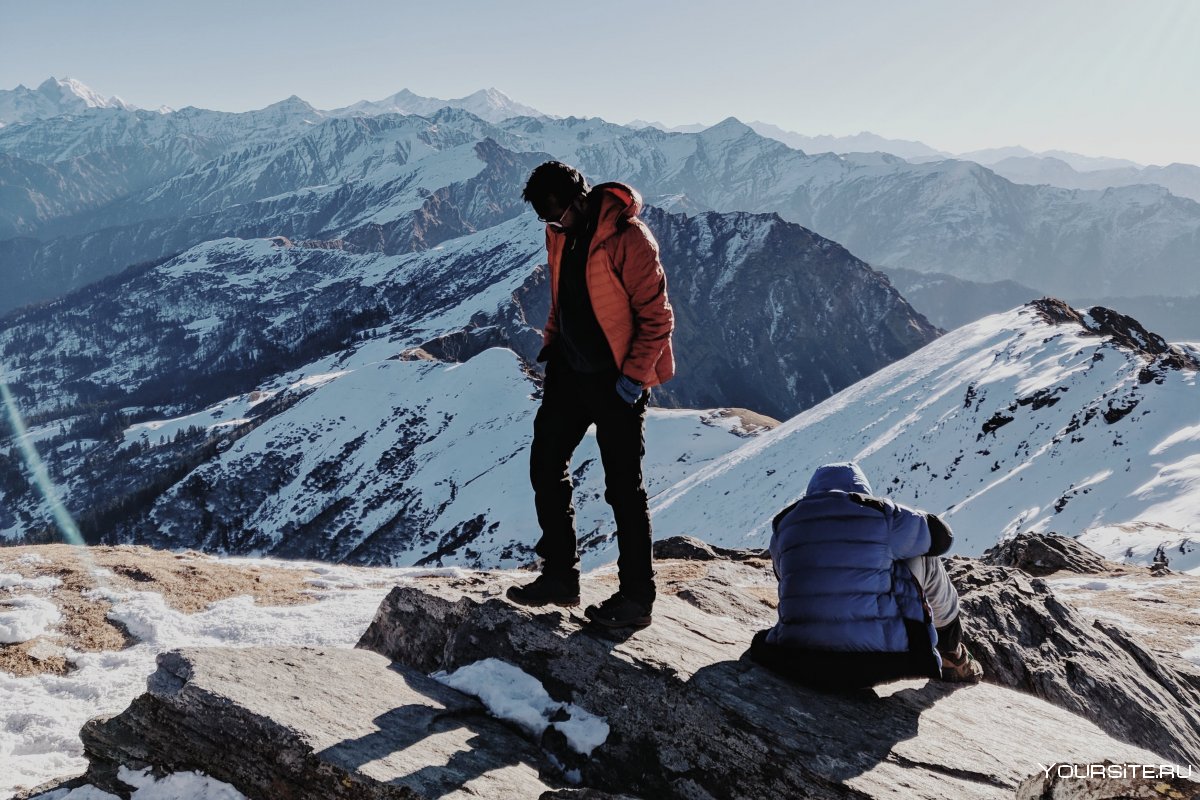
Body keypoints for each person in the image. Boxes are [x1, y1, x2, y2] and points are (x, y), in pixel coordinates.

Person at [506, 161, 675, 629]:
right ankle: (561, 577)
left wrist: (633, 380)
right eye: (546, 220)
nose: (553, 225)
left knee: (624, 489)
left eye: (558, 215)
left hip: (616, 382)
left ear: (580, 199)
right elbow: (562, 296)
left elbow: (658, 317)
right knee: (545, 462)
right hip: (570, 374)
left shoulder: (630, 238)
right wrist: (551, 343)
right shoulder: (560, 233)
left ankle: (636, 599)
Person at [750, 461, 983, 688]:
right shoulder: (880, 514)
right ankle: (951, 651)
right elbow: (942, 537)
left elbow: (785, 577)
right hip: (879, 658)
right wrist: (900, 517)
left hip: (796, 654)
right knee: (923, 556)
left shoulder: (784, 525)